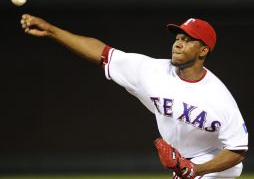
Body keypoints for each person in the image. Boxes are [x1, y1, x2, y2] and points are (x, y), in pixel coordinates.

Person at [20, 14, 248, 179]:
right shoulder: (151, 72)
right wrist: (51, 30)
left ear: (204, 50)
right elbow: (102, 53)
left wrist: (196, 169)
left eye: (188, 40)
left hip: (216, 162)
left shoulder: (218, 98)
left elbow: (238, 150)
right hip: (186, 163)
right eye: (178, 37)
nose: (178, 43)